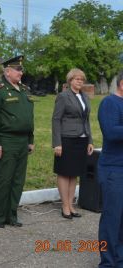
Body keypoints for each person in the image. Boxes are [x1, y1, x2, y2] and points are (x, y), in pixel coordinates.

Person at [0, 55, 34, 228]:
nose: (21, 72)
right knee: (4, 180)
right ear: (7, 71)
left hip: (22, 142)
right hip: (6, 141)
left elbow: (29, 117)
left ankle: (11, 215)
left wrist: (31, 139)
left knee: (18, 181)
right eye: (18, 69)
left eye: (21, 69)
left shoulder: (25, 90)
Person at [52, 68, 93, 219]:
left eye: (82, 79)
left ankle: (71, 204)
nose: (80, 82)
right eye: (77, 79)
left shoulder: (84, 97)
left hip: (82, 139)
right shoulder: (63, 96)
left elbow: (86, 120)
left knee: (74, 172)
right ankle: (64, 206)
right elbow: (56, 119)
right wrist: (57, 143)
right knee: (64, 172)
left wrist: (90, 140)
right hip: (66, 139)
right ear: (70, 81)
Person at [97, 70, 123, 268]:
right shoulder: (110, 103)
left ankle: (119, 258)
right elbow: (111, 132)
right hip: (114, 169)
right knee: (112, 217)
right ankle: (108, 262)